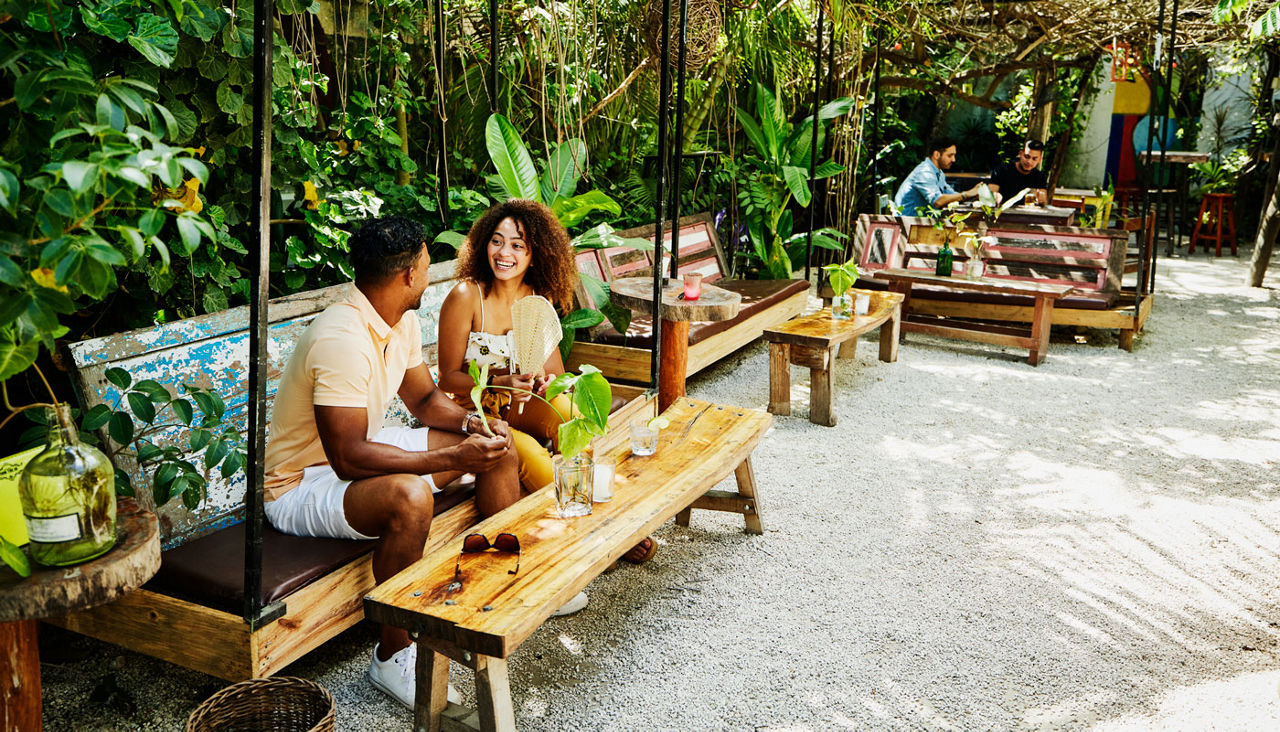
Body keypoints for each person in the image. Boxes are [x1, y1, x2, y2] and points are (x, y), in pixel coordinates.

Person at [263, 215, 523, 710]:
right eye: (427, 264)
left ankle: (491, 599)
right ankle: (392, 653)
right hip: (300, 483)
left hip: (360, 447)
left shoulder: (397, 319)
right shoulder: (342, 337)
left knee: (497, 448)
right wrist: (449, 456)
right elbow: (347, 457)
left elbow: (425, 399)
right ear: (408, 274)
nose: (429, 273)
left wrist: (473, 426)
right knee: (411, 495)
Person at [437, 199, 659, 566]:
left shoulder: (535, 300)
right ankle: (602, 534)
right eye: (497, 241)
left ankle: (597, 524)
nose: (504, 252)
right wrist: (499, 378)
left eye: (517, 245)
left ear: (534, 255)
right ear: (483, 244)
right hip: (476, 411)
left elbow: (556, 376)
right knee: (535, 459)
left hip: (521, 403)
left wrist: (545, 384)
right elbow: (447, 377)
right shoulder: (467, 296)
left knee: (573, 420)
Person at [893, 137, 985, 216]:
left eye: (954, 155)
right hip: (906, 225)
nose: (954, 160)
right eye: (950, 156)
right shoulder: (924, 172)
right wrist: (966, 194)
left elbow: (952, 196)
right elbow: (938, 201)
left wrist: (974, 194)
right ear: (936, 154)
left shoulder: (939, 173)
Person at [987, 139, 1049, 205]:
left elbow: (1043, 201)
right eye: (1027, 156)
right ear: (1020, 154)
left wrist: (1041, 201)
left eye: (1034, 159)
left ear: (1040, 159)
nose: (1029, 161)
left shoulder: (1040, 176)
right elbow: (989, 196)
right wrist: (995, 195)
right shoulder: (1002, 170)